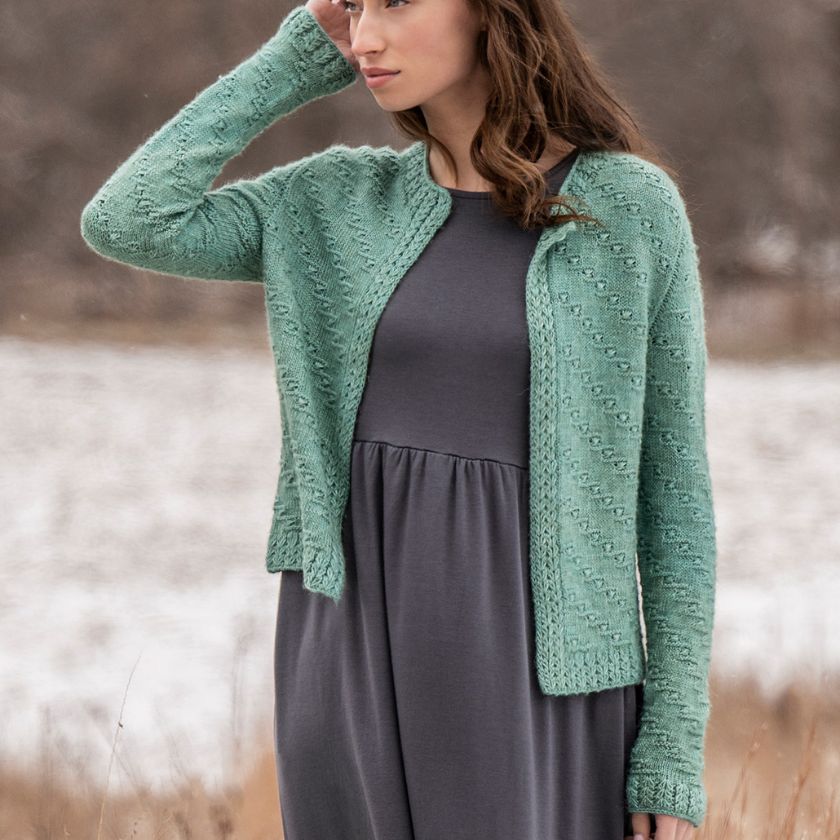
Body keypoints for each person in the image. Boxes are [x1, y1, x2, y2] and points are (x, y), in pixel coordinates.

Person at [80, 1, 717, 838]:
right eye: (354, 6)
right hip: (344, 635)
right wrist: (296, 56)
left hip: (535, 660)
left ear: (493, 14)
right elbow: (127, 219)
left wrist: (670, 753)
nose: (367, 36)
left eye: (397, 1)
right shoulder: (334, 203)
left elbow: (674, 503)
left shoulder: (629, 208)